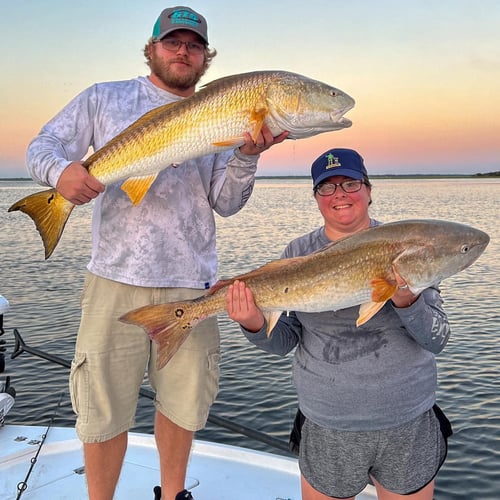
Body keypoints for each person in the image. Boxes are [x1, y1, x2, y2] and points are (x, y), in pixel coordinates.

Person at [26, 6, 287, 500]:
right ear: (152, 48)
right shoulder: (105, 98)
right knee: (102, 408)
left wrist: (247, 156)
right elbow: (43, 145)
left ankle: (173, 495)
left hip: (192, 281)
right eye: (173, 42)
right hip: (114, 279)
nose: (182, 51)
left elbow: (226, 203)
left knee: (182, 404)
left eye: (193, 45)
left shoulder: (225, 109)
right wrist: (59, 174)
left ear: (206, 57)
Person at [226, 148, 453, 500]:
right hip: (327, 421)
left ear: (368, 190)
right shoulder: (299, 251)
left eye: (349, 183)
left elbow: (437, 339)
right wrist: (254, 323)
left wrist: (407, 300)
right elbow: (283, 342)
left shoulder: (407, 247)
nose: (340, 195)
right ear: (316, 197)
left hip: (407, 419)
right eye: (327, 188)